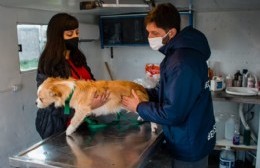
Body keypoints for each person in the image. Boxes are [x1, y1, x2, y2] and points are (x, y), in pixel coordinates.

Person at [122, 3, 216, 168]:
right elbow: (167, 91)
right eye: (148, 32)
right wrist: (141, 91)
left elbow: (173, 114)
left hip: (188, 142)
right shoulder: (181, 53)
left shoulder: (181, 62)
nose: (149, 37)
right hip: (195, 135)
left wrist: (139, 107)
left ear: (171, 33)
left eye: (154, 33)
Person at [36, 13, 108, 139]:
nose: (75, 37)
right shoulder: (48, 65)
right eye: (69, 34)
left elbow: (91, 83)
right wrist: (88, 106)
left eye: (77, 32)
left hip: (81, 121)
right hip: (58, 126)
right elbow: (51, 107)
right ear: (57, 37)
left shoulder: (78, 58)